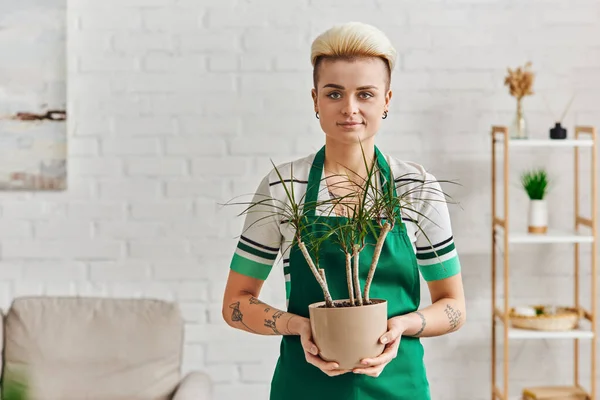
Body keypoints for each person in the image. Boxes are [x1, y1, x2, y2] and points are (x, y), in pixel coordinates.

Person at [222, 21, 466, 400]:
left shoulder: (416, 187)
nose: (349, 108)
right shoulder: (285, 185)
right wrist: (296, 326)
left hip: (399, 386)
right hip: (303, 386)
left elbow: (453, 306)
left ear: (386, 100)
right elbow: (236, 301)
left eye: (365, 94)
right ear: (315, 99)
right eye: (334, 94)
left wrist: (402, 326)